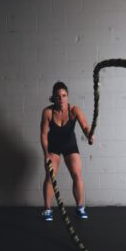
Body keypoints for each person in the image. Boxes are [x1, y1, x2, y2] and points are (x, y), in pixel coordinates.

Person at [40, 81, 94, 221]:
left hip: (70, 146)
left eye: (64, 95)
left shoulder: (74, 110)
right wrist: (46, 154)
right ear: (54, 97)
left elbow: (86, 127)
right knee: (50, 177)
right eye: (58, 96)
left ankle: (80, 208)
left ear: (67, 96)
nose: (61, 99)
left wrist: (90, 135)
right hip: (54, 147)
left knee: (77, 175)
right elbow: (44, 135)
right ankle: (47, 210)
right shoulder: (48, 112)